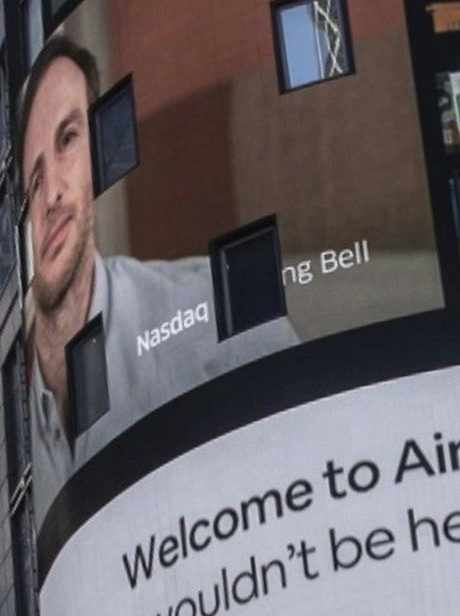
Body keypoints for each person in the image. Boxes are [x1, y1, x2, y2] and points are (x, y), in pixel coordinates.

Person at [18, 37, 298, 503]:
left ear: (100, 159)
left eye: (68, 140)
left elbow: (319, 455)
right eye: (33, 179)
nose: (51, 196)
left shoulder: (217, 310)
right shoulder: (6, 435)